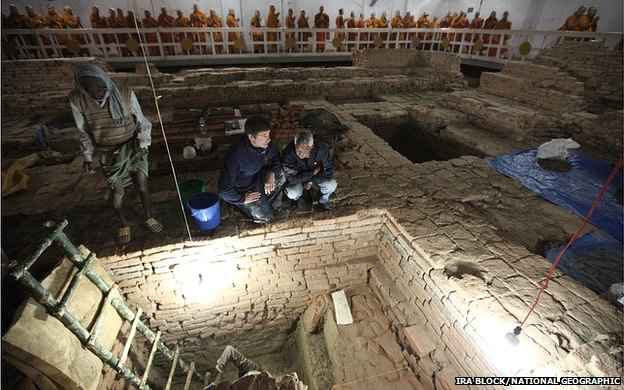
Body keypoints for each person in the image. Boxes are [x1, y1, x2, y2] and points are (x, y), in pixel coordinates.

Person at [69, 63, 162, 244]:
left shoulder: (125, 93)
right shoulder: (77, 99)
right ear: (83, 89)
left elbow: (141, 121)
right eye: (91, 91)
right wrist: (87, 156)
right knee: (117, 191)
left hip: (133, 146)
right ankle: (123, 223)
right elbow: (83, 130)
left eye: (100, 89)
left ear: (106, 83)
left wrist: (143, 142)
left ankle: (149, 216)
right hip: (108, 151)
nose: (97, 94)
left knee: (142, 184)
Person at [218, 116, 288, 223]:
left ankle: (274, 206)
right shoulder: (236, 155)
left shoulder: (264, 144)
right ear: (251, 137)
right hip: (245, 189)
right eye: (264, 136)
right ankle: (244, 206)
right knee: (265, 217)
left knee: (282, 174)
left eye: (268, 134)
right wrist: (242, 199)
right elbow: (224, 190)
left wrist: (272, 174)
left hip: (258, 178)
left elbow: (275, 157)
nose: (268, 139)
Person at [282, 131, 337, 211]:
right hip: (299, 180)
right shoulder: (288, 153)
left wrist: (311, 182)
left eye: (303, 150)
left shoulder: (321, 149)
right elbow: (291, 179)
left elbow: (328, 170)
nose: (299, 154)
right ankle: (297, 199)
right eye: (298, 149)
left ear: (311, 146)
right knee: (292, 192)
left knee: (332, 184)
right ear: (295, 144)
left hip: (315, 178)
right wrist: (312, 172)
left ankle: (323, 200)